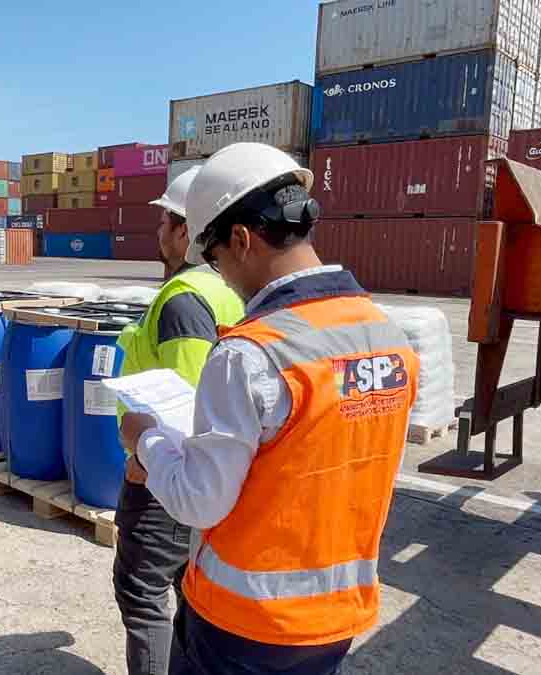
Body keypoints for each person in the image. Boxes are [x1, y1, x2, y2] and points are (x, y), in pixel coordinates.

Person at [120, 143, 420, 675]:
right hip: (336, 617)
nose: (221, 276)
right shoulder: (388, 337)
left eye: (214, 259)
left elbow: (199, 501)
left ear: (240, 239)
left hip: (244, 623)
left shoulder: (251, 354)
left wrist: (145, 439)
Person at [112, 166, 244, 675]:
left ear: (186, 230)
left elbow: (186, 402)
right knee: (189, 593)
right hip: (198, 476)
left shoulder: (184, 297)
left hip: (165, 477)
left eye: (165, 221)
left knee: (143, 596)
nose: (158, 232)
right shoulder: (224, 288)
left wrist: (150, 463)